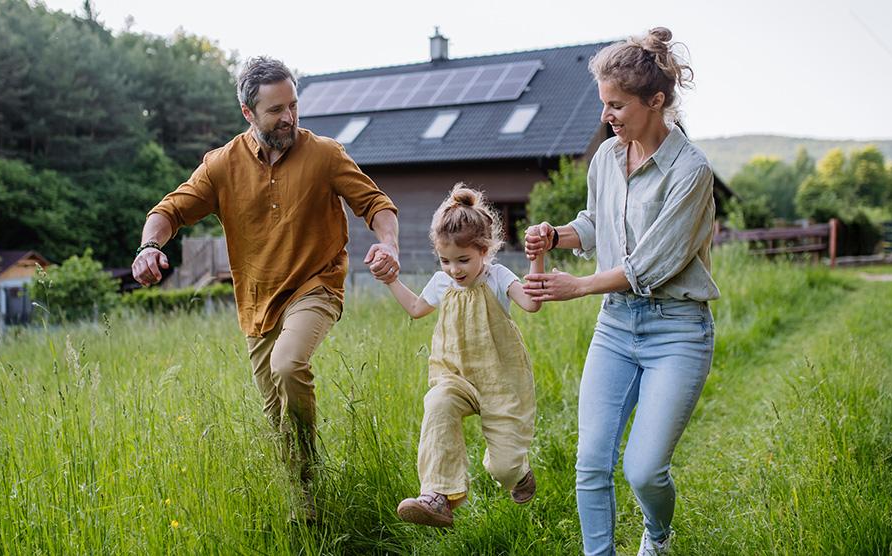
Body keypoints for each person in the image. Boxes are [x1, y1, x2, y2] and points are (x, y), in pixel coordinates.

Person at [131, 56, 400, 522]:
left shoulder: (325, 154)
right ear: (248, 113)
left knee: (289, 363)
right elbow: (169, 210)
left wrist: (389, 244)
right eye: (276, 110)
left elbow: (375, 203)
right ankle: (307, 502)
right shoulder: (221, 166)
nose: (289, 118)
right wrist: (149, 247)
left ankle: (310, 468)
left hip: (316, 286)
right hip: (257, 304)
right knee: (276, 418)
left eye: (293, 105)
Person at [522, 28, 719, 556]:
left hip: (677, 331)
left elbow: (651, 262)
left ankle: (657, 536)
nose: (608, 115)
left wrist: (580, 284)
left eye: (617, 105)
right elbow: (594, 223)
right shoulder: (607, 157)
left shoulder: (691, 170)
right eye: (604, 103)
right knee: (591, 463)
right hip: (616, 326)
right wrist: (558, 235)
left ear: (656, 102)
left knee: (644, 468)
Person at [377, 184, 544, 528]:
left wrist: (537, 257)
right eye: (446, 260)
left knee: (503, 468)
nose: (454, 269)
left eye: (463, 260)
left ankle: (518, 474)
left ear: (485, 250)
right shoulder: (442, 283)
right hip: (455, 378)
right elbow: (415, 308)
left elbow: (532, 303)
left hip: (501, 381)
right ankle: (438, 496)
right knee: (437, 403)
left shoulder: (498, 277)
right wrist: (391, 279)